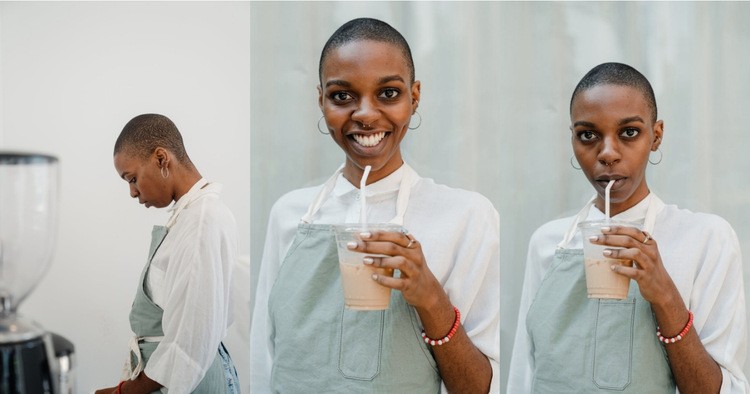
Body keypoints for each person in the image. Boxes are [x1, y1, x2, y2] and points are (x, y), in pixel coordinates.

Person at [249, 18, 500, 393]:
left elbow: (478, 388)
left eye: (388, 94)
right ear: (321, 101)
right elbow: (262, 358)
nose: (365, 114)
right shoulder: (290, 215)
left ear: (414, 97)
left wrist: (430, 298)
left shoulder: (467, 217)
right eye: (342, 96)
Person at [507, 62, 748, 393]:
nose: (607, 153)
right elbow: (524, 372)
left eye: (629, 132)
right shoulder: (548, 243)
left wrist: (664, 294)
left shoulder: (706, 240)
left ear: (656, 136)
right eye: (588, 135)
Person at [96, 114, 240, 393]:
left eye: (133, 178)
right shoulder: (189, 217)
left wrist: (121, 391)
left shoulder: (202, 221)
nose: (132, 192)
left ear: (162, 159)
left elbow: (187, 346)